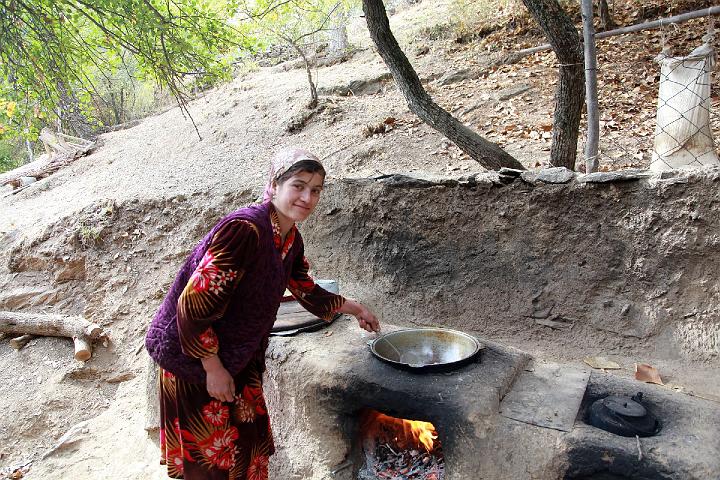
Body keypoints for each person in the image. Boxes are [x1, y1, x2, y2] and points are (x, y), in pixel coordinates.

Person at [145, 147, 380, 479]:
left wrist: (354, 308)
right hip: (194, 360)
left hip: (235, 357)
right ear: (274, 183)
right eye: (298, 185)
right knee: (214, 464)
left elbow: (303, 287)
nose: (307, 197)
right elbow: (192, 305)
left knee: (247, 449)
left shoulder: (288, 237)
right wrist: (213, 368)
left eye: (315, 190)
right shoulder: (245, 230)